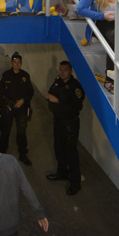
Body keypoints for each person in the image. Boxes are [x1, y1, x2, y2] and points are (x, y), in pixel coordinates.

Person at [45, 61, 84, 195]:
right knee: (59, 149)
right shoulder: (58, 80)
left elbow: (74, 109)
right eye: (60, 70)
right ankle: (62, 172)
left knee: (71, 153)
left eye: (65, 70)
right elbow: (50, 91)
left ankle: (75, 183)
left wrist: (56, 101)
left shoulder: (75, 87)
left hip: (69, 124)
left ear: (71, 71)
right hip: (58, 121)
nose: (62, 73)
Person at [0, 52, 34, 165]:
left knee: (21, 132)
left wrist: (23, 100)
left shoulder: (25, 76)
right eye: (15, 62)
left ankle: (23, 154)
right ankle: (2, 152)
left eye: (19, 63)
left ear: (21, 64)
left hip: (21, 108)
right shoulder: (6, 75)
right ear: (11, 63)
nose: (17, 64)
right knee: (5, 131)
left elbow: (31, 92)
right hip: (8, 108)